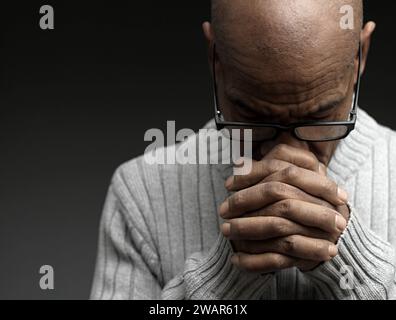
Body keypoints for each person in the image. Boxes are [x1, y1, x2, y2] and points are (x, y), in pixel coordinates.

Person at [90, 0, 396, 299]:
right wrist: (226, 278)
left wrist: (352, 264)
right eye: (255, 117)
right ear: (215, 60)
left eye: (319, 117)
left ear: (361, 55)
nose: (287, 155)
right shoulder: (140, 193)